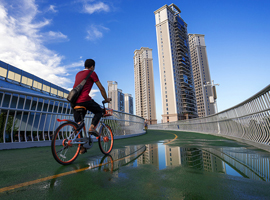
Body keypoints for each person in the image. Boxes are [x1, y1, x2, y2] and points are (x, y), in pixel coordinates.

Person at [73, 59, 111, 154]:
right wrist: (106, 99)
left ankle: (81, 147)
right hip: (84, 100)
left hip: (74, 102)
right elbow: (101, 88)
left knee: (79, 124)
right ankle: (92, 127)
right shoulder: (92, 73)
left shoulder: (78, 74)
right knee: (99, 111)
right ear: (92, 66)